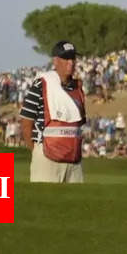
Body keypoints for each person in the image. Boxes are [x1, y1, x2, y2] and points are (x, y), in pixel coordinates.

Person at [19, 41, 86, 183]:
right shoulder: (41, 84)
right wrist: (37, 152)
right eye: (66, 58)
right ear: (55, 61)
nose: (71, 62)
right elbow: (26, 123)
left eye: (73, 58)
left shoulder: (78, 88)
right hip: (46, 159)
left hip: (74, 160)